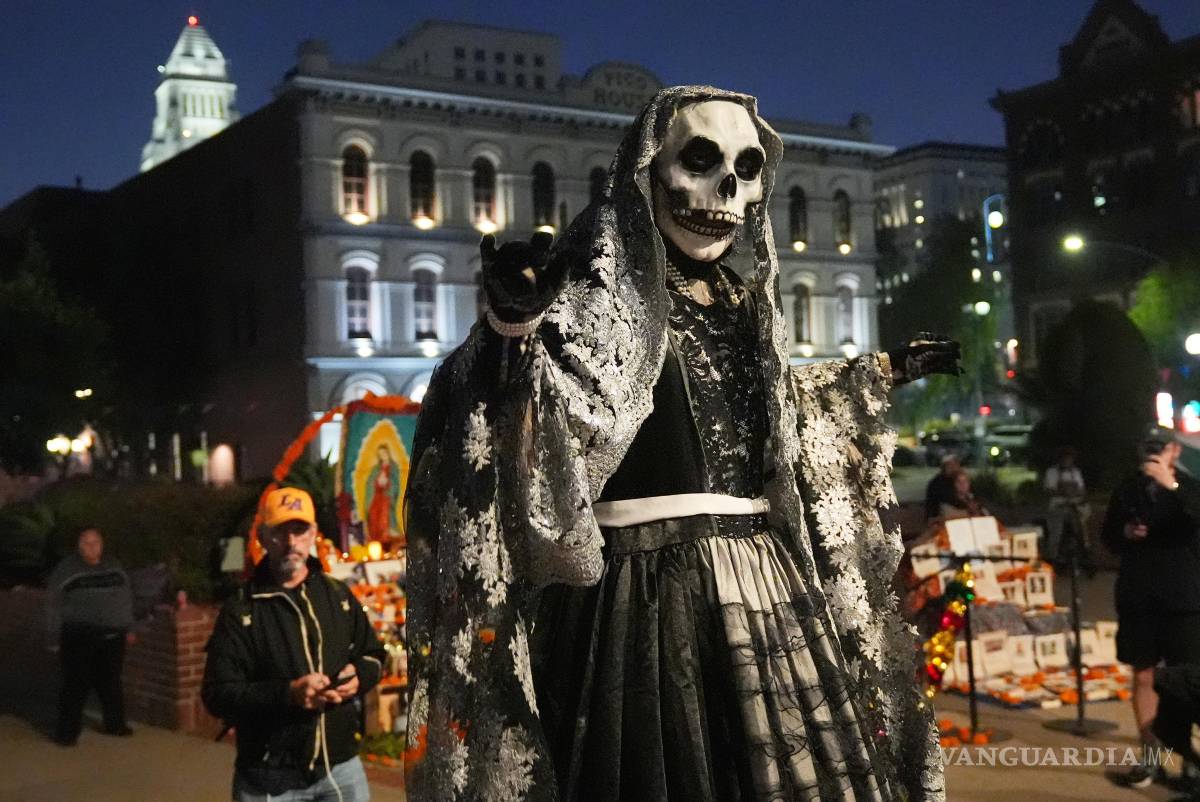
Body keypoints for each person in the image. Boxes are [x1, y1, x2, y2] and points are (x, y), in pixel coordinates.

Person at [405, 87, 956, 801]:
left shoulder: (741, 299)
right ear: (647, 171)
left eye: (746, 171)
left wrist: (882, 370)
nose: (726, 191)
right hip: (638, 595)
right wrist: (511, 328)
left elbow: (778, 403)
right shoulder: (593, 290)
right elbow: (506, 404)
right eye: (699, 161)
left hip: (762, 579)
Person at [202, 487, 386, 801]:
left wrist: (359, 676)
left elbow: (374, 654)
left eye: (299, 531)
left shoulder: (337, 595)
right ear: (262, 537)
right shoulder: (242, 609)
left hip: (340, 767)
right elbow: (217, 694)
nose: (291, 543)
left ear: (313, 534)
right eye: (279, 532)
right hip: (269, 777)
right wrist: (288, 693)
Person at [1102, 426, 1200, 790]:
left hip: (1183, 599)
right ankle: (1152, 757)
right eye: (1148, 447)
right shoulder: (1128, 488)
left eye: (1160, 447)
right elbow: (1108, 536)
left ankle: (1190, 761)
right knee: (1143, 676)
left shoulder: (1189, 487)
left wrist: (1170, 485)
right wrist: (1125, 533)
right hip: (1139, 597)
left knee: (1185, 681)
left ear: (1175, 450)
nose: (1153, 453)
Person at [46, 526, 135, 746]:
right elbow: (53, 604)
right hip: (79, 635)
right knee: (76, 684)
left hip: (112, 635)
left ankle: (115, 724)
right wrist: (53, 636)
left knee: (111, 682)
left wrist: (129, 627)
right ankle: (67, 733)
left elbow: (126, 597)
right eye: (87, 542)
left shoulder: (114, 566)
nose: (92, 547)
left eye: (96, 542)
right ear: (79, 546)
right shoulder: (67, 570)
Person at [1043, 446, 1089, 564]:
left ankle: (1084, 553)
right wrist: (1066, 492)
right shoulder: (1052, 472)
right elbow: (1049, 491)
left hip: (1074, 506)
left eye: (1069, 458)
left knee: (1081, 528)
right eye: (1065, 458)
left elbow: (1082, 490)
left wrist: (1074, 494)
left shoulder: (1076, 472)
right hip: (1057, 506)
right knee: (1056, 533)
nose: (1067, 460)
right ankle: (1052, 558)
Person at [365, 444, 401, 544]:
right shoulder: (376, 469)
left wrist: (388, 483)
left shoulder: (394, 467)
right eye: (380, 454)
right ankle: (376, 541)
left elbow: (396, 483)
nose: (382, 456)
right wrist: (377, 482)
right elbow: (370, 482)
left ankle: (386, 541)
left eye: (384, 453)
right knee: (373, 516)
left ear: (388, 453)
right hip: (376, 496)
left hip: (387, 496)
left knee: (384, 518)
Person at [925, 454, 961, 521]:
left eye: (955, 465)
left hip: (954, 516)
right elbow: (950, 500)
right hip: (938, 518)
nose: (954, 468)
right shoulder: (937, 483)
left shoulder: (958, 479)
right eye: (950, 465)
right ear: (944, 467)